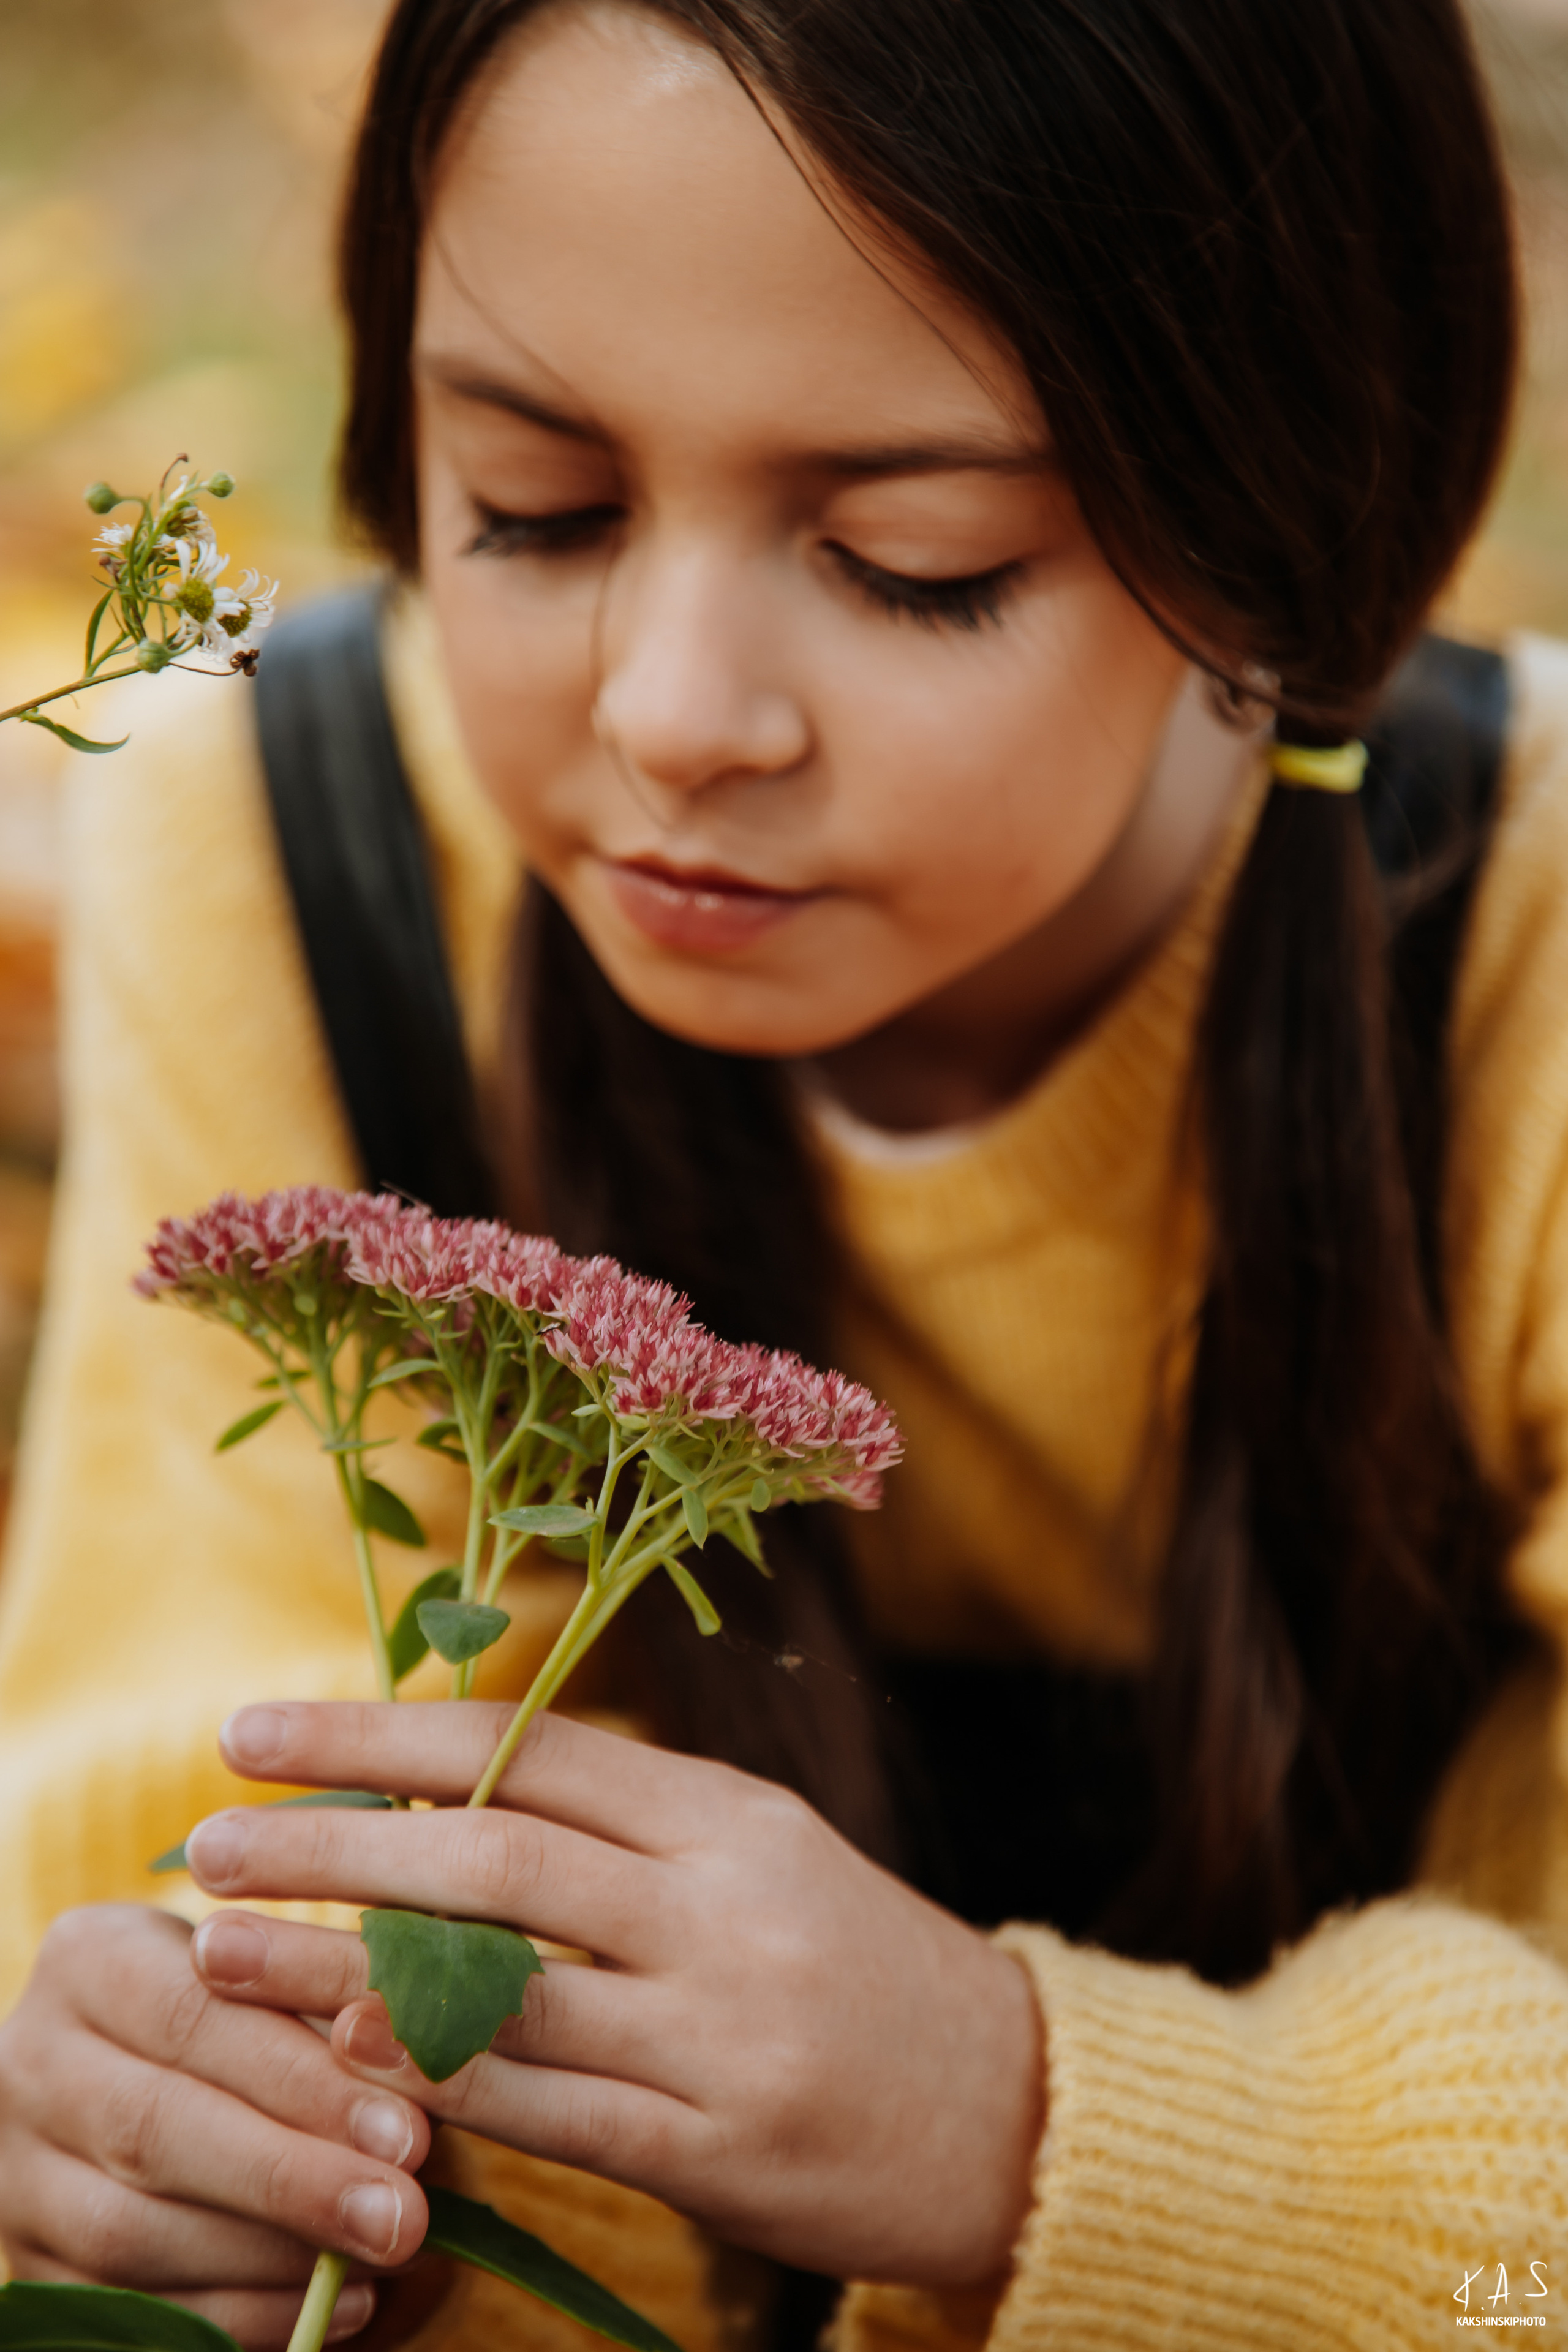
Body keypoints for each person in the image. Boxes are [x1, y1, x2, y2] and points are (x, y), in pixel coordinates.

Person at [0, 0, 1564, 2345]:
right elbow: (172, 1810)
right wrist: (202, 2137)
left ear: (1290, 529)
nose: (672, 714)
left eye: (916, 560)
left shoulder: (1517, 977)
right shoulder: (284, 857)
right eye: (532, 507)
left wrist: (1025, 2125)